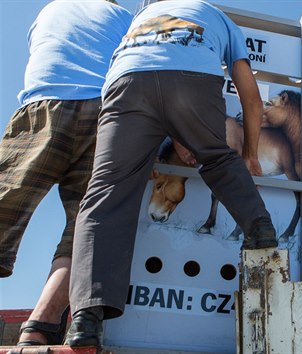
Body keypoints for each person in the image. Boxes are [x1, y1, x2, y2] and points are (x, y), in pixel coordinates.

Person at [63, 0, 278, 348]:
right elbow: (250, 96)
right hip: (193, 78)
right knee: (218, 158)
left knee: (106, 189)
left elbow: (152, 80)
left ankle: (86, 318)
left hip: (127, 79)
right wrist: (250, 153)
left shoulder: (143, 16)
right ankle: (259, 227)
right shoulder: (219, 17)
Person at [0, 0, 132, 346]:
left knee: (6, 202)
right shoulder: (125, 17)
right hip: (105, 115)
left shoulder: (52, 9)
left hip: (43, 106)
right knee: (87, 225)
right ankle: (41, 323)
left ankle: (41, 323)